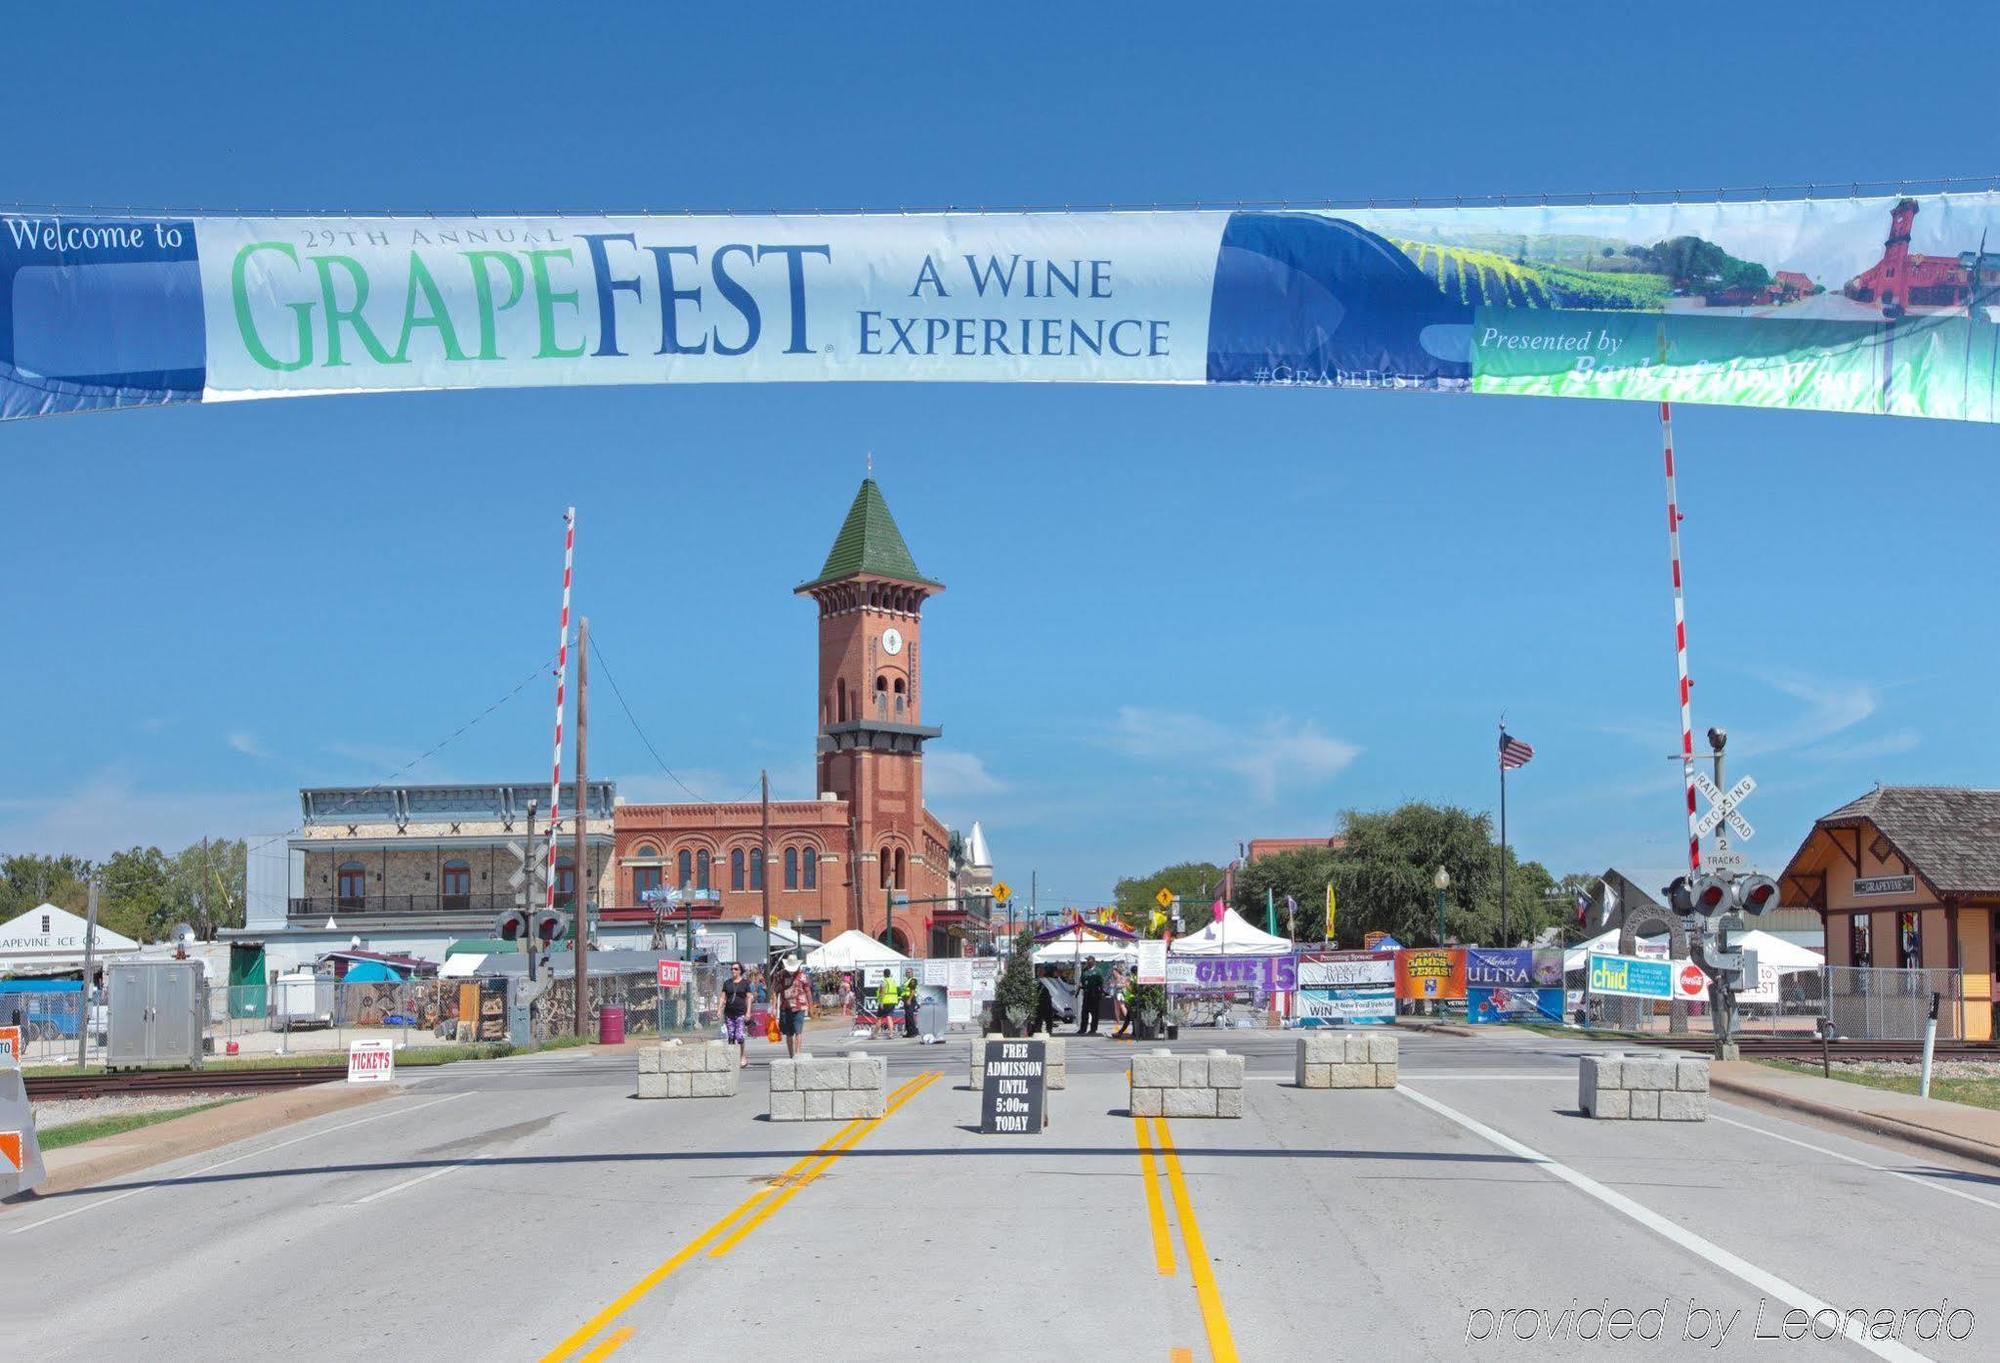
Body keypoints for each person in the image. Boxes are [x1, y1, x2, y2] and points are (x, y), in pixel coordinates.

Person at [776, 954, 812, 1058]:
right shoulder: (780, 975)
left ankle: (798, 1054)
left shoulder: (802, 975)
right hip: (785, 1007)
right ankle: (791, 1055)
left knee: (798, 1031)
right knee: (788, 1033)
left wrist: (811, 1005)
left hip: (799, 1006)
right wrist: (773, 1007)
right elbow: (775, 991)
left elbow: (808, 990)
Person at [720, 961, 753, 1068]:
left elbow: (749, 998)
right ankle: (732, 1058)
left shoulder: (745, 983)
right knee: (731, 1036)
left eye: (735, 969)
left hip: (740, 1013)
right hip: (729, 1013)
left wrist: (748, 1012)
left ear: (740, 971)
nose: (733, 971)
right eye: (732, 969)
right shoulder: (727, 983)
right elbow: (722, 997)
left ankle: (742, 1056)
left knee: (739, 1036)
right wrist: (719, 1009)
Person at [1078, 956, 1104, 1035]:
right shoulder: (1085, 970)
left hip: (1095, 994)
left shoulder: (1098, 971)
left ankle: (1093, 1029)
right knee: (1084, 1012)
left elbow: (1101, 982)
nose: (1088, 962)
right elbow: (1082, 980)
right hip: (1087, 993)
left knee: (1095, 1013)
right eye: (1087, 961)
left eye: (1089, 961)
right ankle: (1083, 1029)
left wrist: (1100, 992)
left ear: (1093, 962)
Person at [875, 968, 901, 1041]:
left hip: (885, 1001)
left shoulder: (883, 981)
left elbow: (882, 991)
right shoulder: (893, 981)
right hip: (892, 1001)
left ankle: (874, 1034)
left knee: (879, 1018)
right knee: (889, 1017)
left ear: (884, 974)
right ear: (889, 974)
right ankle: (891, 1034)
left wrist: (881, 1002)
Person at [902, 966, 921, 1038]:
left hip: (910, 999)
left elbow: (912, 991)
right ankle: (909, 1032)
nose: (908, 973)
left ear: (912, 973)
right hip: (906, 999)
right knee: (907, 1016)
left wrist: (909, 999)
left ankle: (914, 1032)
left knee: (909, 1016)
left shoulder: (913, 980)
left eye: (909, 972)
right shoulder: (907, 981)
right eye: (907, 972)